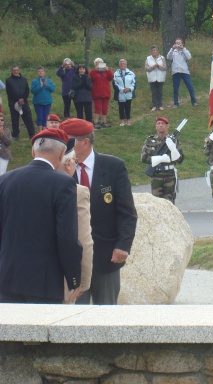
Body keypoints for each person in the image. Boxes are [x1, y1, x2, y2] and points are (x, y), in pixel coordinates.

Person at [59, 118, 137, 305]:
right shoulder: (60, 170)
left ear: (85, 142)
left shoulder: (113, 167)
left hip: (106, 256)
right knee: (74, 317)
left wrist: (123, 245)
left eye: (68, 142)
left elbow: (127, 211)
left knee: (107, 316)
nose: (64, 148)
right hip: (72, 261)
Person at [0, 128, 82, 304]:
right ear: (62, 154)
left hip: (6, 277)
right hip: (44, 281)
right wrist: (74, 278)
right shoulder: (64, 183)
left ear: (32, 151)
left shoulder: (5, 180)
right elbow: (67, 236)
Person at [58, 141, 93, 304]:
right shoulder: (77, 191)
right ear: (68, 163)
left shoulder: (12, 182)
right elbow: (84, 241)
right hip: (59, 282)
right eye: (75, 161)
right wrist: (83, 283)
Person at [141, 116, 185, 204]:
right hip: (156, 175)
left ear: (167, 126)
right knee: (157, 204)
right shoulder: (150, 140)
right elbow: (144, 158)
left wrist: (173, 150)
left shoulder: (173, 140)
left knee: (170, 203)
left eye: (163, 124)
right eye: (158, 123)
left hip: (170, 175)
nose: (160, 125)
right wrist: (159, 159)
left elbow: (180, 159)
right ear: (156, 126)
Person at [5, 65, 36, 141]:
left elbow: (27, 90)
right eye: (14, 70)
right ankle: (15, 135)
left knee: (28, 118)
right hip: (13, 103)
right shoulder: (8, 80)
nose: (16, 71)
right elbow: (9, 92)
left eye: (17, 70)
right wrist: (18, 99)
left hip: (24, 103)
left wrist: (23, 99)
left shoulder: (24, 79)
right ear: (12, 71)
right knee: (15, 120)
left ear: (19, 70)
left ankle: (32, 134)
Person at [167, 38, 197, 107]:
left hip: (184, 71)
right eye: (176, 43)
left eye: (179, 43)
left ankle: (194, 102)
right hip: (176, 72)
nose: (178, 45)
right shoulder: (173, 51)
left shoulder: (184, 51)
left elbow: (189, 57)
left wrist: (183, 49)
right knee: (176, 88)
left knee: (190, 87)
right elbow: (168, 57)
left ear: (182, 43)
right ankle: (176, 103)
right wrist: (172, 48)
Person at [89, 57, 114, 129]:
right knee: (98, 108)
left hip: (105, 92)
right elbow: (90, 78)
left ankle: (104, 122)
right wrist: (95, 70)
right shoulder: (93, 72)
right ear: (95, 64)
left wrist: (108, 70)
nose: (99, 64)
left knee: (105, 108)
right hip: (97, 92)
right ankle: (95, 122)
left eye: (100, 63)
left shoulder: (105, 71)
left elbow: (111, 77)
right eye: (97, 63)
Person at [31, 66, 56, 131]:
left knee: (46, 117)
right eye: (39, 71)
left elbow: (53, 89)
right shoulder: (34, 81)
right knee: (40, 117)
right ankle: (40, 131)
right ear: (37, 73)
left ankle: (45, 130)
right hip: (38, 102)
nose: (40, 73)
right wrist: (40, 86)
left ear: (44, 72)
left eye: (42, 71)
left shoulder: (49, 80)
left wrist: (47, 85)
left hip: (47, 102)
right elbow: (33, 91)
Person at [114, 59, 136, 126]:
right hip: (120, 93)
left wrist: (130, 89)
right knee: (121, 107)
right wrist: (122, 89)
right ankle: (122, 121)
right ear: (119, 65)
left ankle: (128, 120)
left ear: (126, 65)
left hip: (129, 92)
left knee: (128, 107)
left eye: (123, 63)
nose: (122, 65)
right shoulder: (116, 73)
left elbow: (134, 83)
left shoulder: (131, 73)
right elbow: (115, 83)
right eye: (121, 64)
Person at [145, 45, 167, 111]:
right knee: (154, 92)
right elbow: (146, 68)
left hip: (160, 77)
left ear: (157, 51)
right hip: (152, 77)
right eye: (152, 50)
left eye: (155, 50)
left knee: (159, 92)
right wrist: (153, 67)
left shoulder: (162, 58)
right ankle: (154, 105)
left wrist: (159, 66)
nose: (153, 51)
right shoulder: (148, 58)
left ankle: (160, 105)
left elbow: (165, 67)